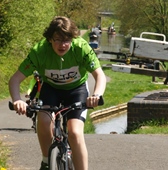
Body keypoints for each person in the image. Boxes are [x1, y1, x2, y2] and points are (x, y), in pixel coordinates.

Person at [9, 16, 107, 170]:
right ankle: (47, 161)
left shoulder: (81, 48)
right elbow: (15, 80)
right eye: (58, 40)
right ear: (49, 39)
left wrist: (96, 95)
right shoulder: (39, 52)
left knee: (75, 132)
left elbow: (99, 75)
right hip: (51, 89)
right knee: (44, 121)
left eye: (67, 40)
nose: (63, 44)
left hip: (76, 90)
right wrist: (17, 100)